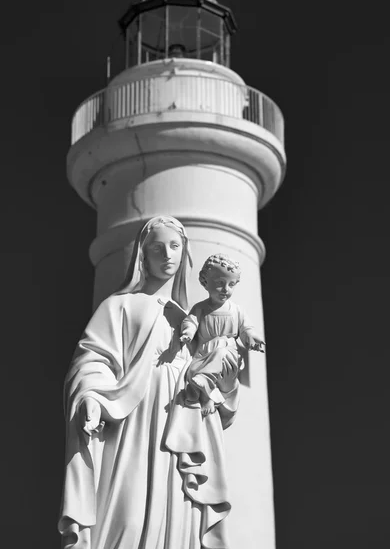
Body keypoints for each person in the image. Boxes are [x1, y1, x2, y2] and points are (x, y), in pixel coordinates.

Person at [58, 216, 240, 549]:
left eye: (175, 246)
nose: (167, 255)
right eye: (157, 247)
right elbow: (93, 358)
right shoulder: (119, 306)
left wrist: (225, 385)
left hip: (182, 422)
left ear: (184, 253)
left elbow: (212, 381)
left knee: (178, 516)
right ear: (142, 254)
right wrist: (92, 397)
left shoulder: (192, 319)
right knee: (127, 517)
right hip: (134, 419)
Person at [179, 254, 265, 416]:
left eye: (231, 284)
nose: (226, 289)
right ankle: (208, 396)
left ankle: (205, 382)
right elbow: (191, 322)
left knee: (220, 351)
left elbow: (246, 328)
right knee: (211, 359)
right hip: (204, 353)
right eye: (220, 283)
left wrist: (252, 337)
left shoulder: (236, 310)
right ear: (205, 282)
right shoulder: (201, 308)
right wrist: (188, 333)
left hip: (229, 354)